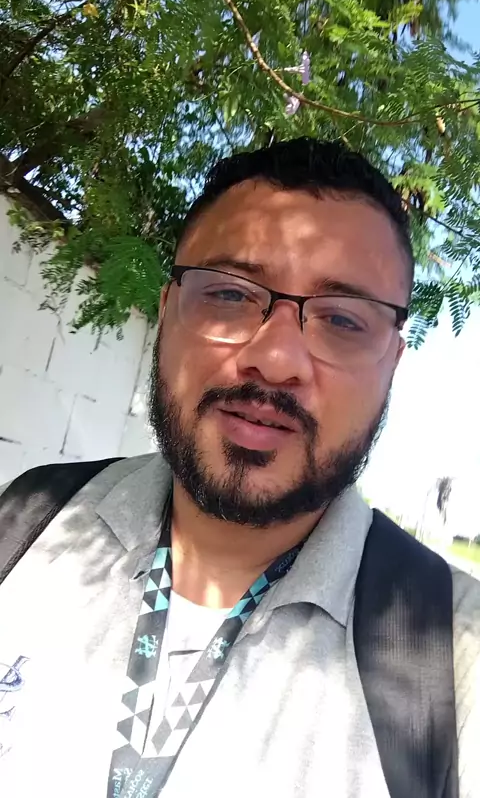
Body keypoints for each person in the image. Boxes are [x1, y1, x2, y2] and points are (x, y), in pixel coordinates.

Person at [0, 137, 478, 798]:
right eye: (228, 294)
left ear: (392, 364)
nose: (275, 359)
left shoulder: (453, 657)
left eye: (342, 320)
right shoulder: (29, 522)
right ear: (166, 312)